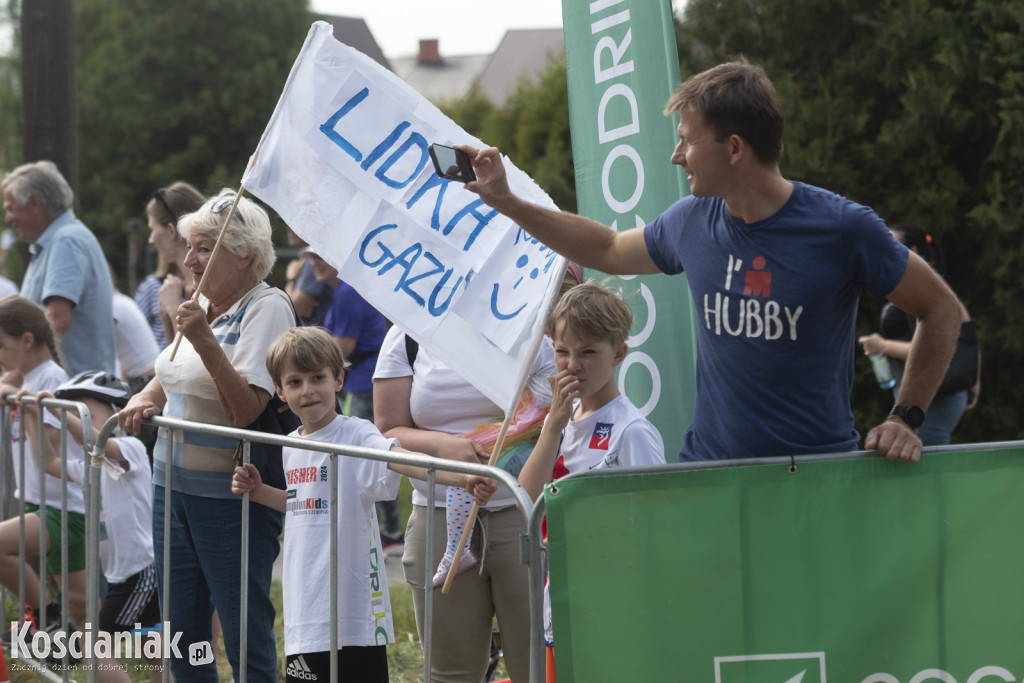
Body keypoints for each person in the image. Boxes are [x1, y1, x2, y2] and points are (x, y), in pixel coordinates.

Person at [458, 58, 961, 465]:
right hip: (709, 474)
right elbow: (608, 248)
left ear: (735, 148)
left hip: (814, 476)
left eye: (687, 140)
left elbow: (940, 310)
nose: (677, 156)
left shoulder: (842, 228)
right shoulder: (692, 221)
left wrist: (905, 417)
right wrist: (509, 203)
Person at [231, 326, 496, 683]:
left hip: (353, 614)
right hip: (305, 609)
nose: (307, 391)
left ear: (338, 379)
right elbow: (305, 504)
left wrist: (459, 477)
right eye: (294, 382)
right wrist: (261, 492)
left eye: (317, 378)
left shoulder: (357, 434)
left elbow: (399, 459)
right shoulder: (291, 444)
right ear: (279, 390)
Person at [118, 190, 295, 683]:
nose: (189, 259)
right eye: (190, 246)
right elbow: (174, 369)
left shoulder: (268, 307)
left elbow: (246, 410)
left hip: (230, 496)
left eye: (204, 247)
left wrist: (202, 336)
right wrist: (143, 396)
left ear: (242, 254)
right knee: (185, 634)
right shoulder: (204, 306)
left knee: (242, 632)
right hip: (170, 486)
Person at [517, 282, 664, 681]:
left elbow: (653, 526)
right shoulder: (561, 419)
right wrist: (552, 428)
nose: (572, 365)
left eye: (587, 353)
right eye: (562, 352)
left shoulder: (631, 430)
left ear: (618, 353)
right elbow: (526, 500)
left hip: (615, 606)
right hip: (561, 597)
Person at [0, 297, 124, 681]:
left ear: (25, 340)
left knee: (86, 621)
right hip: (51, 506)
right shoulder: (25, 380)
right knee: (84, 621)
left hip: (66, 510)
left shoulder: (51, 381)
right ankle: (51, 621)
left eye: (0, 346)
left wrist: (23, 404)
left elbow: (48, 453)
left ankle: (46, 620)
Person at [20, 371, 165, 683]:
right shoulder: (91, 466)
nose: (72, 419)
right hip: (119, 573)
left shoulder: (131, 450)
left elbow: (95, 441)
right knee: (153, 646)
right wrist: (34, 414)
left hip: (140, 571)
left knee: (94, 648)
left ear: (116, 413)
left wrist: (61, 412)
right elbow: (48, 463)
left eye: (82, 411)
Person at [306, 249, 402, 545]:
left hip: (364, 382)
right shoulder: (344, 292)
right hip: (361, 379)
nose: (315, 263)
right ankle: (390, 529)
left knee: (366, 455)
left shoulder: (347, 292)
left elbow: (342, 348)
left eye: (321, 255)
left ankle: (387, 531)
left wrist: (304, 348)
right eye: (310, 258)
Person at [858, 224, 980, 445]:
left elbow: (936, 342)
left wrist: (883, 346)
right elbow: (969, 336)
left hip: (934, 398)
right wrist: (974, 383)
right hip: (932, 396)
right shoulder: (929, 294)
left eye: (891, 243)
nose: (882, 248)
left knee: (921, 472)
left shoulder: (930, 298)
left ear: (912, 250)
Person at [2, 160, 116, 376]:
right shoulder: (57, 242)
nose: (8, 218)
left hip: (75, 395)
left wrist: (16, 376)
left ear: (34, 203)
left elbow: (57, 320)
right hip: (67, 394)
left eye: (10, 208)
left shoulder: (66, 241)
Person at [134, 182, 206, 348]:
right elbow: (170, 364)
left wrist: (174, 311)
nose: (151, 240)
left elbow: (192, 362)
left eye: (153, 229)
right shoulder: (173, 287)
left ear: (172, 231)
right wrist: (166, 318)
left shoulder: (210, 291)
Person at [283, 229, 334, 326]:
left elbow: (293, 311)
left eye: (318, 258)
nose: (289, 228)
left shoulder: (311, 263)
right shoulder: (308, 260)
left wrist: (291, 280)